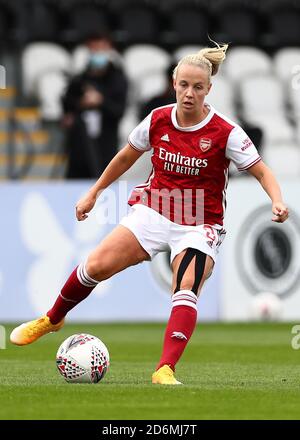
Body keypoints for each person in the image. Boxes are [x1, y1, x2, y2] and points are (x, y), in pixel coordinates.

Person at [10, 43, 289, 385]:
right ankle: (53, 318)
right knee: (94, 266)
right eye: (184, 85)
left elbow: (262, 171)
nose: (189, 93)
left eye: (197, 87)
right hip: (153, 212)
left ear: (209, 89)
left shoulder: (226, 132)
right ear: (174, 83)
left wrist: (276, 200)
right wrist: (95, 192)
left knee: (186, 285)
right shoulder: (158, 119)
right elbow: (126, 156)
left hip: (199, 224)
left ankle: (164, 369)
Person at [62, 32, 128, 178]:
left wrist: (101, 101)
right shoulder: (80, 78)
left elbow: (119, 111)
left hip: (105, 147)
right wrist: (80, 104)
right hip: (79, 149)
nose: (97, 53)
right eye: (94, 49)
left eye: (101, 49)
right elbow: (67, 103)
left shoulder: (118, 79)